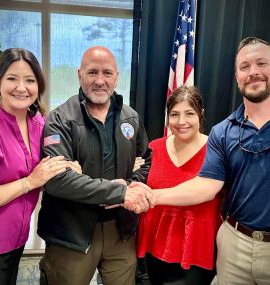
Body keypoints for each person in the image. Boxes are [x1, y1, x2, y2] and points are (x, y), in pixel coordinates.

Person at [132, 37, 270, 285]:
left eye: (262, 63)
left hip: (199, 249)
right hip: (235, 243)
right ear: (237, 75)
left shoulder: (210, 140)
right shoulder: (224, 132)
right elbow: (207, 185)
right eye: (245, 67)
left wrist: (151, 196)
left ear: (200, 116)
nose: (254, 72)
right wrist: (139, 188)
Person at [37, 46, 152, 285]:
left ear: (116, 76)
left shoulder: (131, 118)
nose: (100, 81)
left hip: (120, 232)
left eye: (107, 73)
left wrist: (131, 186)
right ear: (79, 74)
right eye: (92, 73)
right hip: (71, 234)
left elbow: (146, 161)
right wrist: (120, 192)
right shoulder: (60, 119)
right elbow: (58, 180)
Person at [0, 48, 80, 285]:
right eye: (11, 79)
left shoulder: (39, 122)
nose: (21, 87)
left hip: (18, 237)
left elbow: (47, 162)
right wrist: (30, 182)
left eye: (30, 80)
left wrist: (67, 165)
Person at [136, 86, 221, 285]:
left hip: (196, 251)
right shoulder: (153, 148)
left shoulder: (217, 151)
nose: (181, 122)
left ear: (201, 115)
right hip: (154, 246)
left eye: (189, 113)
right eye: (174, 114)